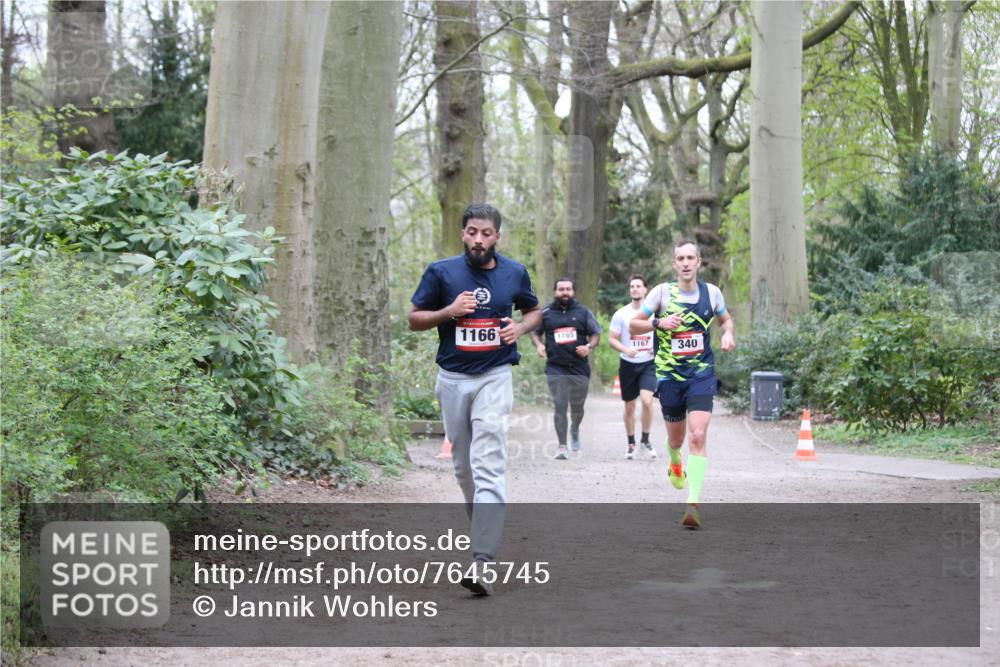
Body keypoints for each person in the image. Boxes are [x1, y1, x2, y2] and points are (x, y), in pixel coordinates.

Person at [408, 203, 541, 595]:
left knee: (488, 462)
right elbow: (414, 319)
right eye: (471, 232)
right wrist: (449, 311)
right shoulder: (441, 272)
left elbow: (535, 311)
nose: (478, 239)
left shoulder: (515, 272)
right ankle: (482, 530)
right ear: (462, 233)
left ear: (497, 236)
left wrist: (520, 327)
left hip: (495, 376)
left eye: (486, 233)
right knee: (464, 470)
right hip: (452, 379)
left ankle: (482, 560)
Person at [629, 240, 735, 529]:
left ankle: (693, 504)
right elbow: (634, 325)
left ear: (699, 262)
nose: (686, 263)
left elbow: (726, 320)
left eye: (691, 257)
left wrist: (727, 334)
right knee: (677, 440)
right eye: (680, 258)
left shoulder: (711, 293)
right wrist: (658, 324)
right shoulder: (661, 293)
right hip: (669, 377)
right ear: (674, 263)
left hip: (701, 374)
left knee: (698, 436)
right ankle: (674, 458)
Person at [530, 278, 601, 460]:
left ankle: (575, 429)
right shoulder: (545, 312)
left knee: (577, 407)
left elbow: (595, 334)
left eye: (568, 289)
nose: (565, 292)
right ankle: (562, 445)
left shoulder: (583, 312)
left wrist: (589, 347)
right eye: (561, 289)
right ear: (555, 291)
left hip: (579, 367)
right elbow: (535, 333)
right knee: (560, 405)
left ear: (573, 291)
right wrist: (539, 345)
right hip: (556, 367)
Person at [608, 275, 657, 460]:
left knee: (647, 401)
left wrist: (656, 347)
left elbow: (666, 333)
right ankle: (631, 443)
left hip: (648, 363)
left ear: (646, 290)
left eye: (638, 286)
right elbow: (612, 339)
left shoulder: (654, 313)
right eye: (632, 286)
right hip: (628, 364)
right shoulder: (621, 314)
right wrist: (625, 349)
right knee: (629, 406)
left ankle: (645, 440)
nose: (635, 289)